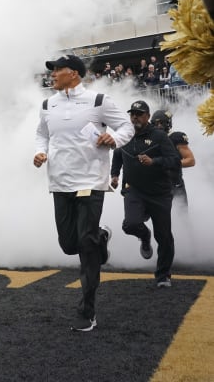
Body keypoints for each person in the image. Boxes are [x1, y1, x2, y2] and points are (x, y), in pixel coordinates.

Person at [34, 54, 134, 332]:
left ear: (74, 73)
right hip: (59, 183)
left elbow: (126, 127)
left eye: (57, 70)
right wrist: (39, 152)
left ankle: (87, 310)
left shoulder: (98, 101)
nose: (52, 74)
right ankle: (101, 236)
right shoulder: (47, 105)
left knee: (85, 246)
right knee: (69, 245)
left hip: (90, 182)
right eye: (51, 70)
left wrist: (114, 138)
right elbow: (41, 134)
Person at [110, 101, 181, 288]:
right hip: (134, 190)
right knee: (130, 224)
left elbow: (174, 160)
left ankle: (163, 275)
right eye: (132, 113)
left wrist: (154, 161)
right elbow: (118, 154)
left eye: (139, 114)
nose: (135, 117)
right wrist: (114, 175)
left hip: (159, 193)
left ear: (147, 116)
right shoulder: (124, 135)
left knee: (164, 236)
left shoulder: (159, 136)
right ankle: (144, 236)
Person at [149, 110, 195, 208]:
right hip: (156, 185)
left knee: (181, 217)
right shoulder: (149, 139)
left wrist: (171, 163)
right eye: (156, 123)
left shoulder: (176, 137)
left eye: (161, 122)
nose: (159, 126)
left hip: (174, 184)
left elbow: (190, 160)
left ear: (168, 123)